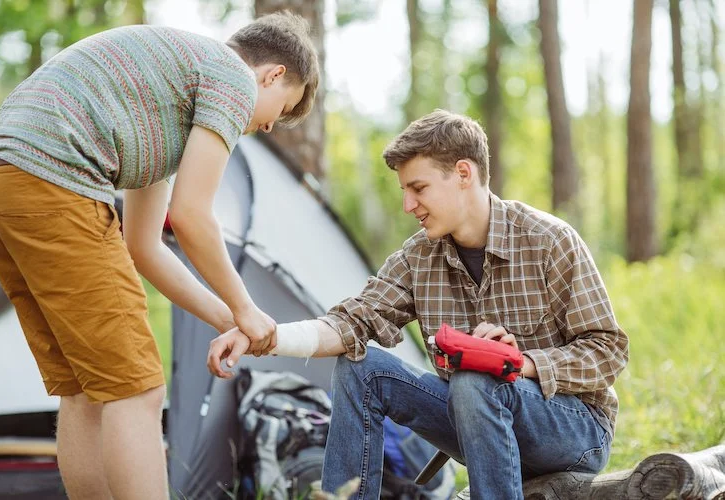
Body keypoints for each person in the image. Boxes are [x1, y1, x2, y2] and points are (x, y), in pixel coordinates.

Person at [0, 12, 319, 500]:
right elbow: (193, 217)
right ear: (273, 75)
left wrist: (229, 320)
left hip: (0, 183)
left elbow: (145, 247)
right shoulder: (233, 75)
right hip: (55, 181)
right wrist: (247, 307)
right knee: (137, 389)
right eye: (280, 110)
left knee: (87, 390)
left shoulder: (159, 106)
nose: (267, 126)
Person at [208, 110, 629, 500]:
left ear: (463, 173)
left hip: (573, 430)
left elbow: (609, 351)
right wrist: (267, 335)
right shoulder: (418, 257)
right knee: (362, 368)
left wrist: (520, 363)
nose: (408, 205)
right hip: (474, 422)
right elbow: (352, 321)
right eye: (405, 191)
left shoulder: (549, 239)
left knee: (473, 379)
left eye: (418, 188)